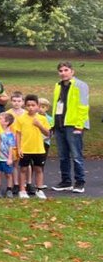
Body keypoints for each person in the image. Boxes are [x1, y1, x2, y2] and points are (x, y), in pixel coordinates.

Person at [51, 61, 89, 193]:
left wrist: (80, 126)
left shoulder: (80, 85)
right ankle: (66, 181)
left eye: (66, 70)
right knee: (63, 156)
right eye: (61, 71)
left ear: (72, 72)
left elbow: (83, 107)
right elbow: (57, 105)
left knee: (76, 155)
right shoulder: (58, 85)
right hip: (60, 123)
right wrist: (53, 124)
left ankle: (80, 182)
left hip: (73, 125)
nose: (63, 73)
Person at [14, 94, 50, 200]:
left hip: (38, 148)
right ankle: (22, 190)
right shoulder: (21, 119)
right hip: (25, 148)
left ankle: (39, 189)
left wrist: (39, 125)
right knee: (23, 169)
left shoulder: (42, 119)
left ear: (38, 106)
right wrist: (19, 148)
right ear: (25, 106)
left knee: (39, 169)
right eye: (28, 105)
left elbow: (47, 133)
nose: (31, 107)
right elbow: (18, 134)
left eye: (33, 105)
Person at [0, 111, 19, 198]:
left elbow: (11, 147)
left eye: (0, 118)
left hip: (6, 158)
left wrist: (10, 158)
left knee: (8, 174)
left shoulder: (10, 135)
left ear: (6, 122)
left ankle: (9, 189)